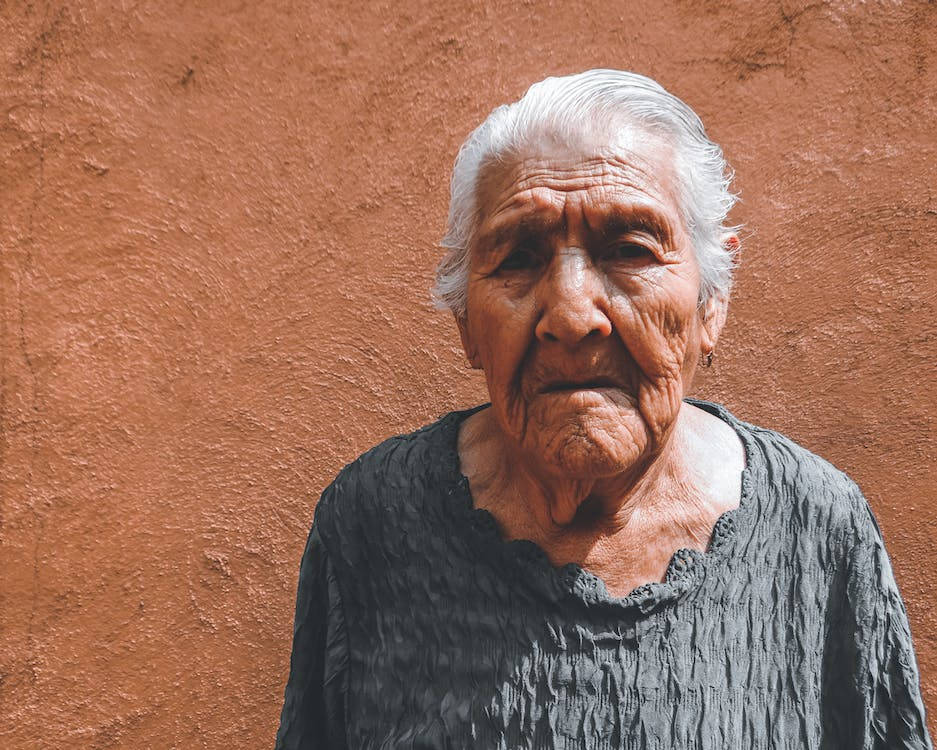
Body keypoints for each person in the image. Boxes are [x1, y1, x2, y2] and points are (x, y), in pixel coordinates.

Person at [274, 69, 933, 749]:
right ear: (466, 323)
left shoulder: (816, 527)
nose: (569, 315)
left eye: (628, 250)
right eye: (518, 258)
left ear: (711, 302)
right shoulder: (372, 522)